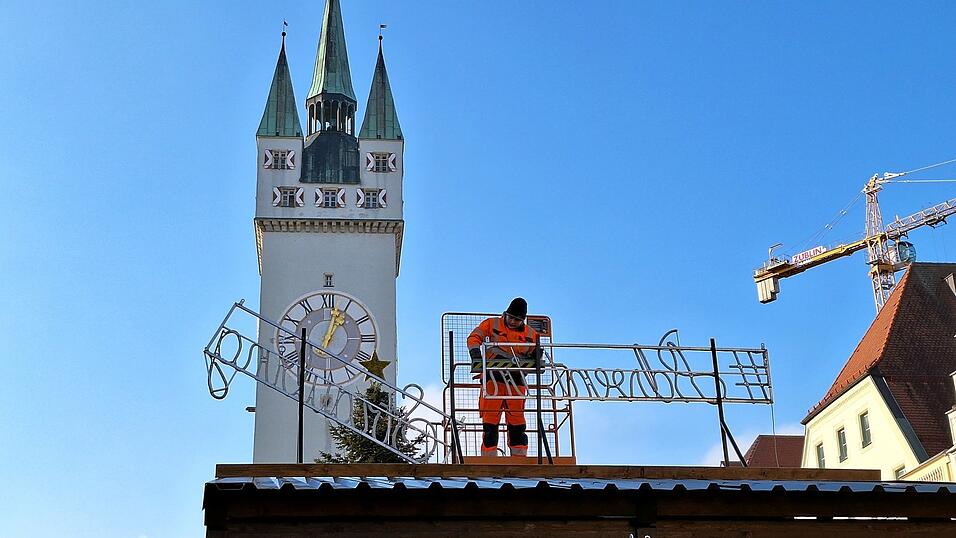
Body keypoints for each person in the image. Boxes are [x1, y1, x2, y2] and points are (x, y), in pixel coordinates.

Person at [468, 297, 541, 457]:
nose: (513, 322)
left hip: (516, 381)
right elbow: (474, 337)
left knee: (517, 421)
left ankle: (519, 458)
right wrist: (475, 354)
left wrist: (537, 356)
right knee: (490, 421)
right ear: (506, 314)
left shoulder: (530, 333)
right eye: (511, 318)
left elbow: (536, 352)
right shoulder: (492, 324)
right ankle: (489, 458)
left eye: (517, 320)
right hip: (493, 378)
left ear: (523, 320)